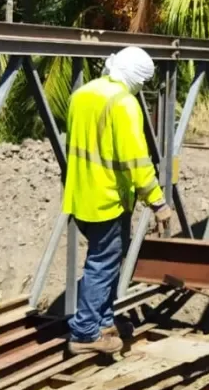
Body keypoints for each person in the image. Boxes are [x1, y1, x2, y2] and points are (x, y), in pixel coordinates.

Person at [62, 46, 173, 355]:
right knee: (102, 263)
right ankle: (85, 331)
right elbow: (136, 160)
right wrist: (158, 202)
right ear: (137, 76)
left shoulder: (81, 95)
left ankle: (103, 322)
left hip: (80, 194)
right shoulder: (124, 104)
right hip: (108, 197)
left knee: (105, 261)